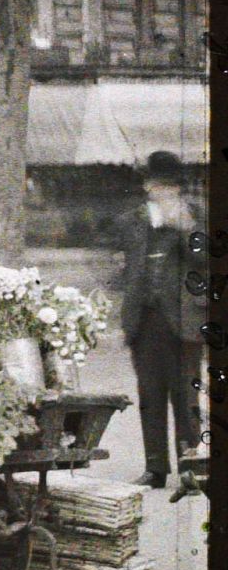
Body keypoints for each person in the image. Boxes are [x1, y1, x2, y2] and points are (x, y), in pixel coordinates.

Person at [110, 149, 206, 488]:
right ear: (148, 186)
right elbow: (121, 267)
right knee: (150, 395)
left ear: (179, 188)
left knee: (186, 395)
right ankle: (155, 468)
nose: (163, 192)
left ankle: (191, 467)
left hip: (184, 321)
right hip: (144, 320)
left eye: (170, 186)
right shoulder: (131, 220)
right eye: (157, 185)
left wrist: (185, 227)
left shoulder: (197, 218)